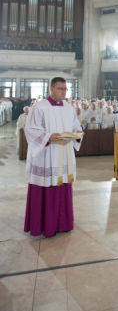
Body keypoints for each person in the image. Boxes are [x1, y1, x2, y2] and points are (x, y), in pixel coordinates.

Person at [24, 77, 83, 238]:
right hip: (46, 155)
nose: (63, 92)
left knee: (63, 185)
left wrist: (78, 132)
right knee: (46, 187)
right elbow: (30, 129)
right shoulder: (39, 107)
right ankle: (44, 225)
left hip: (64, 154)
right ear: (51, 89)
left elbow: (75, 125)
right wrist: (48, 137)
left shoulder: (70, 108)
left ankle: (63, 224)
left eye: (65, 89)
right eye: (60, 88)